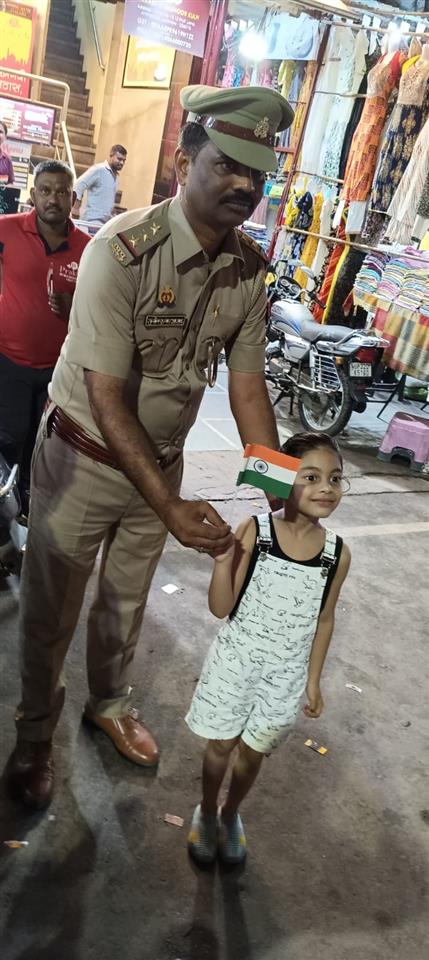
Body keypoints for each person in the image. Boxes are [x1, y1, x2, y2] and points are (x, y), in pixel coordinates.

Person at [6, 83, 294, 811]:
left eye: (256, 174)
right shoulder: (121, 250)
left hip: (159, 465)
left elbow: (249, 391)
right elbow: (106, 395)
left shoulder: (247, 270)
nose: (243, 185)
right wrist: (171, 507)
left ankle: (107, 704)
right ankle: (34, 735)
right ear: (184, 163)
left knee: (125, 602)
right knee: (51, 611)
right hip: (81, 457)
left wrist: (282, 500)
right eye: (226, 165)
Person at [186, 432, 351, 866]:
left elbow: (324, 619)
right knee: (221, 746)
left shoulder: (337, 554)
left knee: (253, 752)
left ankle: (230, 813)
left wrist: (313, 680)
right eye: (311, 477)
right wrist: (224, 562)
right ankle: (207, 810)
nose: (326, 488)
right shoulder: (255, 532)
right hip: (235, 664)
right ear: (281, 480)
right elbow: (221, 608)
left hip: (285, 676)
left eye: (335, 478)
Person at [0, 160, 90, 521]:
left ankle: (26, 505)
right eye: (46, 190)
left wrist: (73, 306)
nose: (54, 198)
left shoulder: (89, 248)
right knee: (9, 436)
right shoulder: (6, 230)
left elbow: (100, 307)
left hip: (60, 368)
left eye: (62, 192)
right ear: (33, 194)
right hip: (9, 361)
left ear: (74, 199)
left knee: (44, 441)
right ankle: (4, 510)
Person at [71, 144, 127, 225]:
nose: (122, 163)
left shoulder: (116, 177)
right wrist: (75, 208)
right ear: (111, 155)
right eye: (119, 159)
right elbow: (78, 185)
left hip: (104, 223)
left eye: (124, 160)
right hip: (91, 221)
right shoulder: (99, 170)